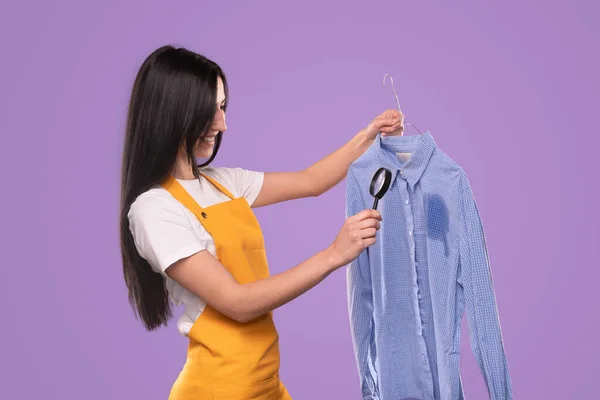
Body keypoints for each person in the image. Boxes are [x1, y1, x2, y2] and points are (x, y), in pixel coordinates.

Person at [119, 45, 404, 400]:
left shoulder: (223, 182)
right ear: (174, 112)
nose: (222, 124)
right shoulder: (154, 210)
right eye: (208, 111)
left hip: (265, 382)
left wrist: (369, 135)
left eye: (222, 107)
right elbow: (237, 302)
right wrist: (334, 254)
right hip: (218, 390)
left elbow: (311, 181)